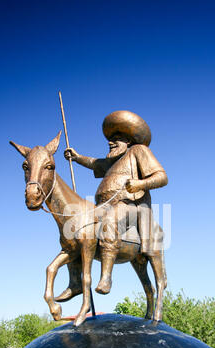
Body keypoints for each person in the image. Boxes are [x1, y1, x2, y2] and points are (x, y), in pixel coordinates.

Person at [64, 110, 168, 294]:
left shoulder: (138, 151)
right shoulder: (112, 162)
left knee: (111, 220)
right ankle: (75, 282)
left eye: (117, 138)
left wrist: (140, 184)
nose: (111, 142)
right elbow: (94, 163)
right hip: (103, 207)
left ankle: (106, 278)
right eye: (110, 139)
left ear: (128, 141)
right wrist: (77, 157)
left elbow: (162, 177)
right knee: (75, 227)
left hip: (130, 205)